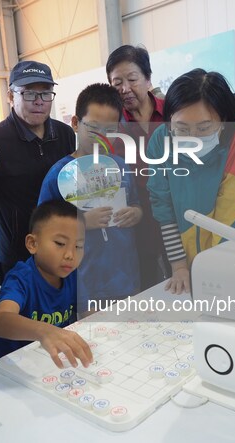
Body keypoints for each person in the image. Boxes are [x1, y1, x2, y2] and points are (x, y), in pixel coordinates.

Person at [147, 68, 235, 294]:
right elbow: (163, 207)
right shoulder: (160, 140)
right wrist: (180, 265)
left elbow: (233, 211)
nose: (192, 139)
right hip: (189, 255)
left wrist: (216, 271)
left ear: (223, 121)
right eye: (182, 129)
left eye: (203, 128)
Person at [38, 83, 141, 313]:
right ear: (75, 123)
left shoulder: (121, 167)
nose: (101, 137)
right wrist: (83, 222)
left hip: (125, 280)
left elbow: (136, 203)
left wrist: (136, 213)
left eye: (110, 130)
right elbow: (43, 229)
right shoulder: (58, 175)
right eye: (93, 128)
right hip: (82, 287)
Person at [0, 61, 76, 282]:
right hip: (17, 256)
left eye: (46, 94)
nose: (39, 102)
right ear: (10, 95)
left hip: (62, 249)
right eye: (29, 94)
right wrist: (11, 225)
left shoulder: (65, 134)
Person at [0, 200, 92, 368]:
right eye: (60, 244)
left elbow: (91, 313)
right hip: (15, 367)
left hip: (54, 362)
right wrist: (45, 331)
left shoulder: (73, 276)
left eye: (78, 246)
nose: (70, 254)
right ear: (32, 244)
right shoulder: (21, 278)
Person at [106, 45, 169, 291]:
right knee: (148, 289)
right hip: (138, 224)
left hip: (178, 216)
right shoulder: (112, 127)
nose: (125, 89)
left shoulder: (173, 112)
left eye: (132, 79)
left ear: (148, 78)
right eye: (116, 83)